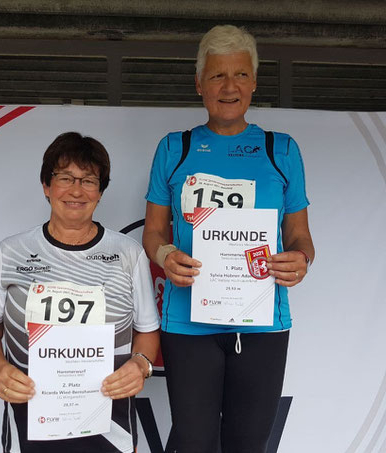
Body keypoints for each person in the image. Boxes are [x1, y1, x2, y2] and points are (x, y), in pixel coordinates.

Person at [143, 25, 315, 453]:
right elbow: (152, 232)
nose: (229, 86)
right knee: (194, 443)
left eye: (240, 75)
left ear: (254, 83)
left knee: (248, 444)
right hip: (188, 322)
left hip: (263, 324)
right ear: (199, 83)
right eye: (218, 75)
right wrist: (166, 255)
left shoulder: (283, 150)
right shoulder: (174, 149)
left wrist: (300, 260)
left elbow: (299, 236)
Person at [0, 132, 160, 453]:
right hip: (29, 418)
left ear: (100, 191)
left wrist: (140, 364)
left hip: (109, 423)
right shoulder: (10, 252)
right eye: (65, 178)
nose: (76, 190)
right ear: (46, 186)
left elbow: (147, 331)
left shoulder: (128, 253)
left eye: (89, 180)